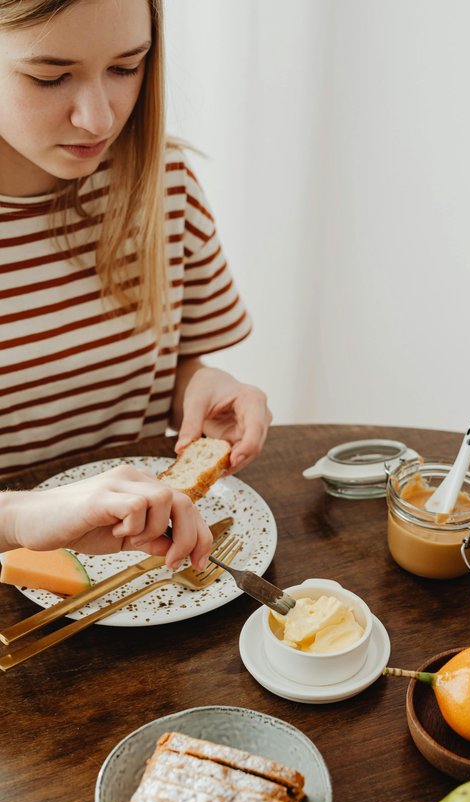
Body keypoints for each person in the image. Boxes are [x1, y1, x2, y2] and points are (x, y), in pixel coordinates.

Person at [0, 0, 272, 568]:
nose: (99, 118)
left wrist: (201, 389)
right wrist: (23, 518)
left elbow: (167, 369)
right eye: (51, 77)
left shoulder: (166, 186)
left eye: (126, 67)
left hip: (143, 576)